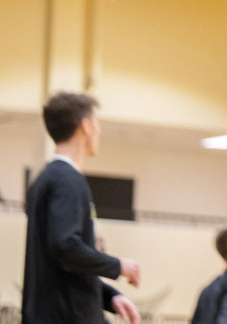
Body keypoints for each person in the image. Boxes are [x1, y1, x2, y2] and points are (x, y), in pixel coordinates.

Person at [21, 91, 141, 324]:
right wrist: (118, 266)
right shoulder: (67, 180)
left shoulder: (46, 178)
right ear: (85, 127)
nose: (99, 131)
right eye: (97, 123)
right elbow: (65, 246)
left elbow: (62, 266)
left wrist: (109, 297)